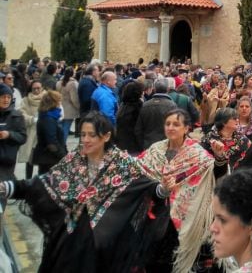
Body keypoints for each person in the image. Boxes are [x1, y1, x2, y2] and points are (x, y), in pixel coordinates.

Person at [0, 112, 171, 272]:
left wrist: (163, 189)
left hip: (104, 243)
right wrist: (9, 187)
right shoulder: (75, 159)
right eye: (83, 135)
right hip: (70, 238)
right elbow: (45, 182)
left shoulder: (122, 163)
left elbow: (147, 188)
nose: (85, 140)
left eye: (92, 135)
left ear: (106, 136)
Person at [139, 109, 227, 273]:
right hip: (157, 218)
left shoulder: (198, 154)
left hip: (189, 219)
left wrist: (220, 157)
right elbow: (138, 175)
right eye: (168, 124)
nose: (171, 127)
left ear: (187, 128)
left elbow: (214, 176)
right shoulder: (154, 151)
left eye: (176, 124)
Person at [201, 108, 252, 173]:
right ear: (223, 122)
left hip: (235, 182)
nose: (237, 120)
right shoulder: (209, 140)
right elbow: (202, 164)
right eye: (234, 118)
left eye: (237, 118)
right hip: (214, 182)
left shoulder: (241, 139)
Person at [31, 90, 67, 174]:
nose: (60, 104)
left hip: (49, 158)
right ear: (53, 103)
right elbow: (51, 142)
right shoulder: (48, 119)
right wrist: (63, 156)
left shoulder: (49, 116)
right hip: (49, 159)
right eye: (59, 101)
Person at [135, 78, 176, 150]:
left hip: (148, 144)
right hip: (165, 145)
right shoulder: (172, 105)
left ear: (154, 89)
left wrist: (142, 144)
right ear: (168, 89)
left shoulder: (145, 105)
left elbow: (138, 129)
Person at [0, 83, 26, 180]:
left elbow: (23, 137)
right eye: (3, 97)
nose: (6, 100)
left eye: (8, 97)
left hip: (8, 160)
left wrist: (9, 134)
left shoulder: (17, 116)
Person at [17, 80, 42, 178]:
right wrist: (32, 119)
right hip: (30, 132)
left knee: (42, 160)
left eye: (38, 88)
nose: (36, 90)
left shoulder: (47, 98)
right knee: (29, 160)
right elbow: (21, 113)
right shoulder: (25, 100)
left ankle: (41, 182)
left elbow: (58, 111)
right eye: (34, 88)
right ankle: (28, 180)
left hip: (42, 132)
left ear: (42, 88)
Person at [115, 80, 145, 156]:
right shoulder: (138, 107)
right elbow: (139, 129)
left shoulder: (123, 105)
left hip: (121, 143)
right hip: (134, 146)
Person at [56, 67, 80, 142]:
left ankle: (60, 144)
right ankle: (62, 145)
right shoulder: (72, 84)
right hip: (69, 109)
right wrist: (79, 107)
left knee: (61, 128)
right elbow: (74, 99)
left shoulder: (58, 82)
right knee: (66, 128)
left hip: (60, 107)